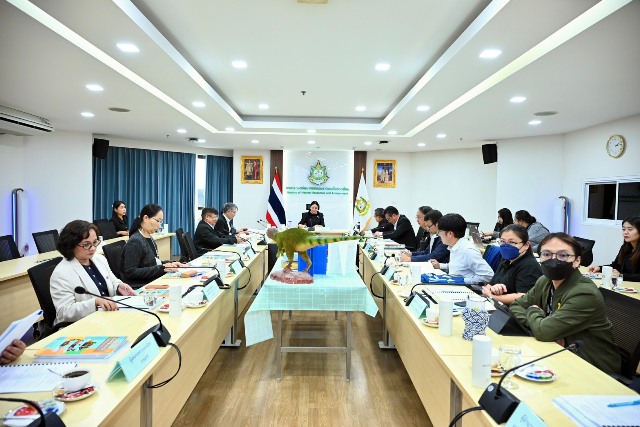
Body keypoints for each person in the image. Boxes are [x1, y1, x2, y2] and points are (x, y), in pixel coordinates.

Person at [510, 233, 620, 374]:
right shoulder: (544, 281)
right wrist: (539, 325)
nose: (554, 260)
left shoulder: (585, 293)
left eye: (563, 255)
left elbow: (544, 332)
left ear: (577, 261)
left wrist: (533, 312)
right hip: (556, 352)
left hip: (592, 365)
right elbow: (516, 306)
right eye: (547, 254)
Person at [50, 220, 137, 326]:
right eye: (86, 244)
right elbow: (64, 312)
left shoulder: (99, 259)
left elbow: (112, 281)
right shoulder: (61, 273)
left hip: (108, 316)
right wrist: (95, 302)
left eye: (95, 242)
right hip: (82, 325)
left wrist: (119, 287)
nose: (93, 248)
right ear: (71, 245)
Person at [121, 204, 187, 289]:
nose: (159, 226)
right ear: (145, 218)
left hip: (151, 281)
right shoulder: (135, 241)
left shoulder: (149, 237)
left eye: (160, 222)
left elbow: (152, 262)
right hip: (141, 286)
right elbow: (130, 272)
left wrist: (170, 264)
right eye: (158, 221)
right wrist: (162, 268)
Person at [482, 224, 542, 304]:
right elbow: (489, 286)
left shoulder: (529, 266)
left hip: (514, 310)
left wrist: (493, 297)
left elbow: (523, 296)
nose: (506, 246)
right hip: (497, 305)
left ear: (526, 245)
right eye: (502, 241)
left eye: (512, 242)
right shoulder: (506, 260)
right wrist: (494, 289)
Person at [431, 213, 493, 284]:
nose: (438, 235)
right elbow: (458, 267)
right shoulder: (455, 246)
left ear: (450, 234)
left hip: (467, 288)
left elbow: (488, 275)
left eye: (439, 232)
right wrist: (440, 266)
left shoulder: (467, 251)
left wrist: (462, 281)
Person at [588, 216, 640, 282]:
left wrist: (621, 275)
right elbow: (615, 266)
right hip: (625, 284)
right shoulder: (625, 247)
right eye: (623, 229)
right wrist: (599, 268)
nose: (625, 232)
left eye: (630, 229)